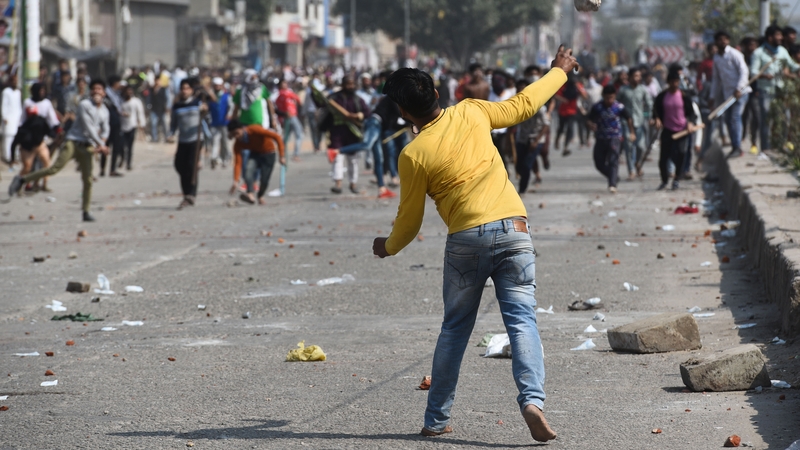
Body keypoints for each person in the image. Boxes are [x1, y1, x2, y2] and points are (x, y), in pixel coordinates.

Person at [371, 47, 579, 443]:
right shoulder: (472, 111)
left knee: (454, 329)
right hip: (515, 231)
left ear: (403, 112)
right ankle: (532, 401)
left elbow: (410, 221)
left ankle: (436, 419)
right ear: (436, 92)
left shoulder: (413, 153)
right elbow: (523, 105)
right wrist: (559, 72)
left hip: (465, 239)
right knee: (522, 321)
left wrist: (388, 246)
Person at [8, 79, 109, 222]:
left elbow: (105, 129)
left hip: (87, 146)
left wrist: (102, 142)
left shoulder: (105, 111)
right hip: (73, 142)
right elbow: (89, 127)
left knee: (88, 180)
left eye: (99, 89)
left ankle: (86, 212)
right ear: (90, 92)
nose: (97, 92)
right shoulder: (84, 105)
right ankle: (22, 179)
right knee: (54, 168)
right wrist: (101, 144)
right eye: (94, 89)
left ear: (104, 93)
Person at [750, 25, 800, 152]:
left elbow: (792, 65)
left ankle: (781, 146)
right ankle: (765, 149)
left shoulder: (782, 51)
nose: (781, 38)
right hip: (765, 91)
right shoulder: (758, 53)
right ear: (770, 37)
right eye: (778, 35)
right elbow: (753, 72)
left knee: (784, 118)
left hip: (781, 91)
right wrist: (764, 75)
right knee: (767, 119)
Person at [708, 30, 752, 160]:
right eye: (720, 39)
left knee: (734, 118)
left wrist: (739, 88)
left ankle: (737, 147)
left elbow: (744, 72)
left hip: (740, 92)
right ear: (716, 42)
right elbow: (716, 79)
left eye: (725, 39)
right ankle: (734, 146)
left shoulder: (735, 54)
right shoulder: (716, 58)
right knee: (727, 120)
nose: (723, 42)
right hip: (728, 94)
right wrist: (712, 96)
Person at [653, 71, 698, 191]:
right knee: (664, 158)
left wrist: (690, 123)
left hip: (682, 130)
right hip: (668, 129)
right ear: (668, 82)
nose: (674, 84)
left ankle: (677, 178)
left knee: (681, 154)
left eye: (676, 82)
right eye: (672, 82)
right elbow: (656, 110)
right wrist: (657, 119)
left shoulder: (683, 96)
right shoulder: (662, 96)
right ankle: (664, 180)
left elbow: (692, 113)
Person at [587, 85, 635, 193]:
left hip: (615, 138)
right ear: (603, 96)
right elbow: (589, 120)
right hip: (600, 138)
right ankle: (612, 175)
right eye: (607, 98)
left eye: (612, 98)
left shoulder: (619, 107)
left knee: (613, 161)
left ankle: (612, 184)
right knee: (599, 163)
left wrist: (632, 132)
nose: (609, 100)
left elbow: (629, 118)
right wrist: (591, 125)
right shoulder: (597, 107)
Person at [169, 78, 208, 210]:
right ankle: (186, 193)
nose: (184, 91)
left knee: (191, 166)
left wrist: (204, 111)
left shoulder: (198, 103)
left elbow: (207, 118)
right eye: (182, 88)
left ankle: (191, 194)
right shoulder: (177, 106)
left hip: (196, 140)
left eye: (187, 88)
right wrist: (171, 134)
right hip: (183, 140)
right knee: (179, 165)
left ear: (191, 90)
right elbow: (173, 123)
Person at [327, 76, 370, 194]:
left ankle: (353, 183)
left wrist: (357, 116)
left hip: (353, 132)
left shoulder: (357, 99)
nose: (350, 86)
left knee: (353, 160)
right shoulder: (334, 98)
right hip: (337, 131)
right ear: (343, 85)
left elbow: (367, 112)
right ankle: (338, 184)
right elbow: (325, 107)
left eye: (352, 84)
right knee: (337, 157)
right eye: (348, 84)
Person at [227, 119, 285, 205]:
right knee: (248, 171)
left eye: (237, 133)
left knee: (264, 178)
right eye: (233, 134)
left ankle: (260, 196)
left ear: (242, 128)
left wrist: (282, 156)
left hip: (268, 152)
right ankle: (250, 194)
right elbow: (238, 163)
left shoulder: (254, 129)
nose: (236, 136)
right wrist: (235, 181)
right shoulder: (238, 144)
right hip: (255, 153)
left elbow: (277, 137)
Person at [514, 78, 550, 193]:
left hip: (535, 139)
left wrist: (536, 141)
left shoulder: (538, 104)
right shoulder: (515, 104)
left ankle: (522, 189)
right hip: (522, 139)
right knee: (518, 165)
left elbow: (546, 124)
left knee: (527, 165)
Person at [617, 67, 653, 179]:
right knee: (628, 146)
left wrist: (649, 116)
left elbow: (649, 103)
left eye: (639, 76)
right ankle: (631, 171)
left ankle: (638, 163)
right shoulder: (623, 90)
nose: (638, 78)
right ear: (630, 77)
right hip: (626, 122)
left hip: (639, 121)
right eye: (635, 76)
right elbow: (617, 104)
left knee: (641, 146)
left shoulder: (642, 89)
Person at [12, 106, 56, 188]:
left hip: (39, 145)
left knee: (47, 163)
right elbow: (14, 143)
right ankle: (18, 184)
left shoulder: (41, 121)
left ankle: (44, 184)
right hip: (27, 148)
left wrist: (56, 135)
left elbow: (50, 132)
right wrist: (12, 159)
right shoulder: (23, 128)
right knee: (27, 167)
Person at [554, 74, 587, 156]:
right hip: (563, 110)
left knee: (570, 129)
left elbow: (585, 96)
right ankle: (557, 140)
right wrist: (563, 99)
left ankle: (565, 147)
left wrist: (578, 88)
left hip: (572, 111)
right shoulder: (563, 86)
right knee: (561, 128)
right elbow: (556, 95)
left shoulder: (579, 86)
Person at [99, 75, 124, 177]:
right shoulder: (106, 95)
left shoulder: (117, 94)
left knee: (116, 147)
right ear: (114, 83)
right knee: (105, 147)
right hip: (107, 124)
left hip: (116, 124)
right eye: (118, 82)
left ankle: (112, 169)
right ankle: (102, 169)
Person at [208, 77, 233, 169]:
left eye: (219, 85)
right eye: (215, 85)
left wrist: (229, 115)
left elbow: (231, 107)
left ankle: (225, 158)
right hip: (214, 122)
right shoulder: (210, 96)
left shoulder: (227, 96)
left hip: (224, 122)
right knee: (215, 141)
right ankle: (214, 158)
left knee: (225, 142)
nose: (217, 87)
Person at [276, 80, 304, 162]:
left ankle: (282, 153)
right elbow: (298, 100)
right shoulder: (287, 93)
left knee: (287, 136)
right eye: (283, 83)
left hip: (285, 117)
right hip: (291, 116)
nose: (285, 84)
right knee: (299, 135)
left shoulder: (278, 95)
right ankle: (296, 154)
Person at [120, 85, 146, 171]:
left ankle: (129, 163)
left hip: (132, 125)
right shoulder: (121, 101)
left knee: (130, 146)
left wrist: (142, 124)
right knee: (122, 145)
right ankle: (122, 158)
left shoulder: (136, 101)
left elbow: (140, 113)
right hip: (122, 126)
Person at [2, 69, 21, 164]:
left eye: (16, 81)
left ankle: (15, 157)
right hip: (8, 119)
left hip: (16, 118)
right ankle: (8, 157)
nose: (15, 82)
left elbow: (19, 106)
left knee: (16, 138)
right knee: (8, 139)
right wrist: (4, 117)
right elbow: (4, 106)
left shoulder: (18, 92)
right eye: (13, 81)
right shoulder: (6, 92)